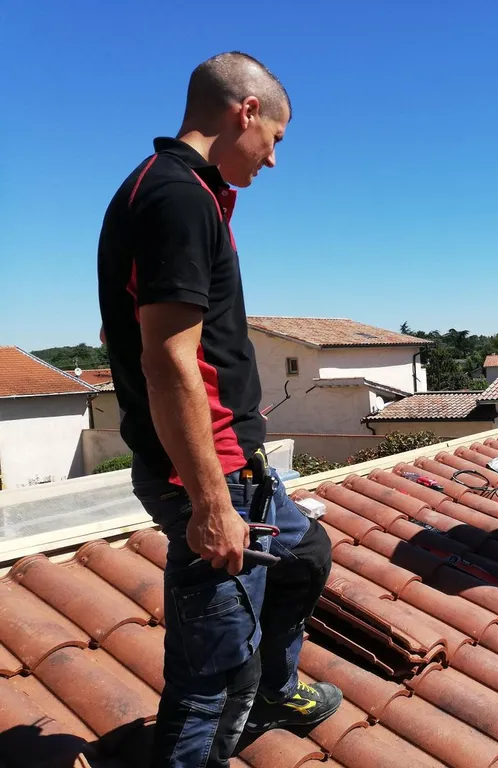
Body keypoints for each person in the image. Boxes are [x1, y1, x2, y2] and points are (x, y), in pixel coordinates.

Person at [96, 52, 341, 767]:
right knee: (210, 678)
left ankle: (274, 687)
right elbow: (167, 357)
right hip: (213, 473)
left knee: (304, 557)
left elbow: (127, 330)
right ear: (246, 112)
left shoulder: (177, 192)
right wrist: (208, 503)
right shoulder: (174, 197)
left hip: (243, 463)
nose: (273, 160)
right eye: (276, 140)